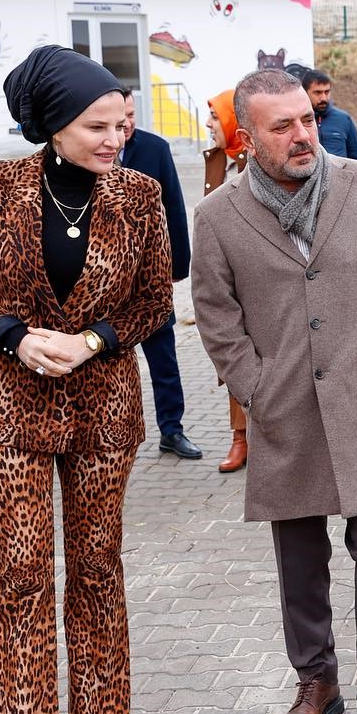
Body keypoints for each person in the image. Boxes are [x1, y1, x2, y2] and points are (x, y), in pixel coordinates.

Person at [0, 45, 173, 714]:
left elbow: (154, 301)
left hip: (105, 409)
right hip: (9, 409)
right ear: (51, 127)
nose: (116, 139)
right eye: (98, 126)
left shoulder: (140, 194)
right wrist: (13, 334)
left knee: (98, 564)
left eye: (124, 124)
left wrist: (95, 342)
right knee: (24, 575)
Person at [191, 69, 357, 714]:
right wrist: (254, 387)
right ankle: (315, 682)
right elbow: (215, 313)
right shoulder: (217, 216)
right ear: (247, 138)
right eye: (282, 125)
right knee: (299, 558)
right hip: (283, 409)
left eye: (306, 119)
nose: (303, 135)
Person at [119, 91, 201, 460]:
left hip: (149, 278)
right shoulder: (84, 152)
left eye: (132, 115)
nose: (128, 123)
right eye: (121, 117)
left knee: (163, 360)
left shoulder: (154, 149)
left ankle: (172, 430)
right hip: (102, 285)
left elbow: (174, 209)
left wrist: (178, 265)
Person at [203, 88, 250, 472]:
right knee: (230, 357)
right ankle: (240, 437)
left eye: (216, 117)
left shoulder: (261, 160)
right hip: (225, 276)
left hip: (257, 277)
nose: (208, 125)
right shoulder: (217, 159)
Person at [299, 69, 357, 161]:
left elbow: (356, 158)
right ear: (305, 92)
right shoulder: (296, 120)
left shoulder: (344, 119)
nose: (324, 98)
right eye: (318, 93)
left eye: (327, 92)